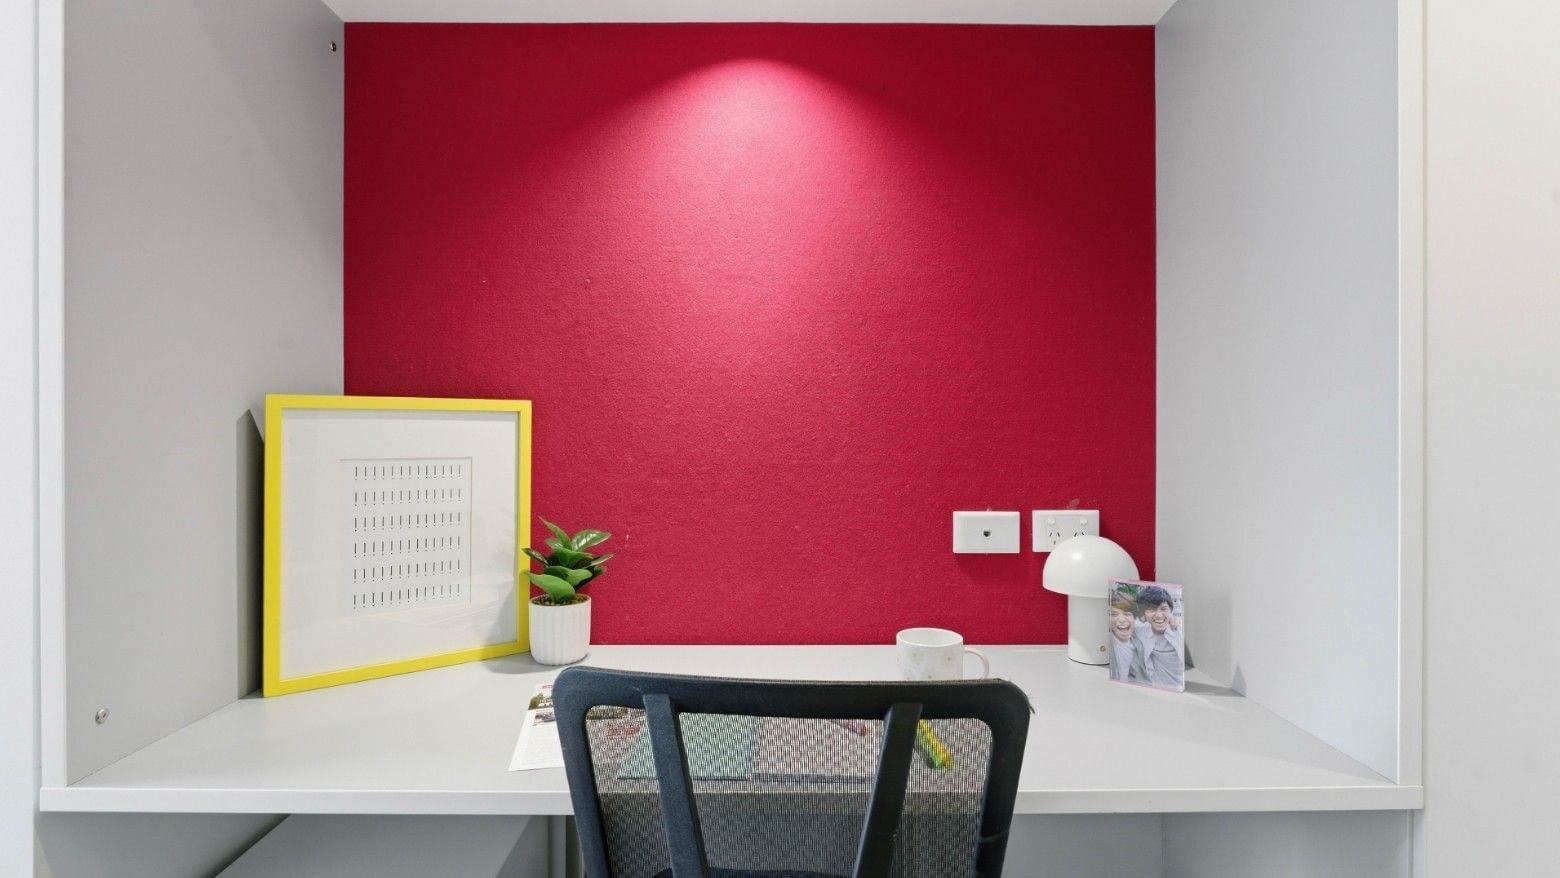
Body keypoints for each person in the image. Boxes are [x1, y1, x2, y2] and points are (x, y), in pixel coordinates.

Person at [1134, 585, 1184, 690]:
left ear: (1171, 610)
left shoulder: (1179, 631)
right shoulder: (1140, 631)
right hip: (1156, 689)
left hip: (1181, 689)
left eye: (1163, 609)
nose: (1159, 615)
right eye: (1151, 609)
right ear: (1144, 614)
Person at [1107, 590, 1146, 683]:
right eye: (1113, 614)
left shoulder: (1138, 643)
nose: (1121, 620)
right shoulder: (1109, 641)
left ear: (1134, 618)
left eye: (1127, 614)